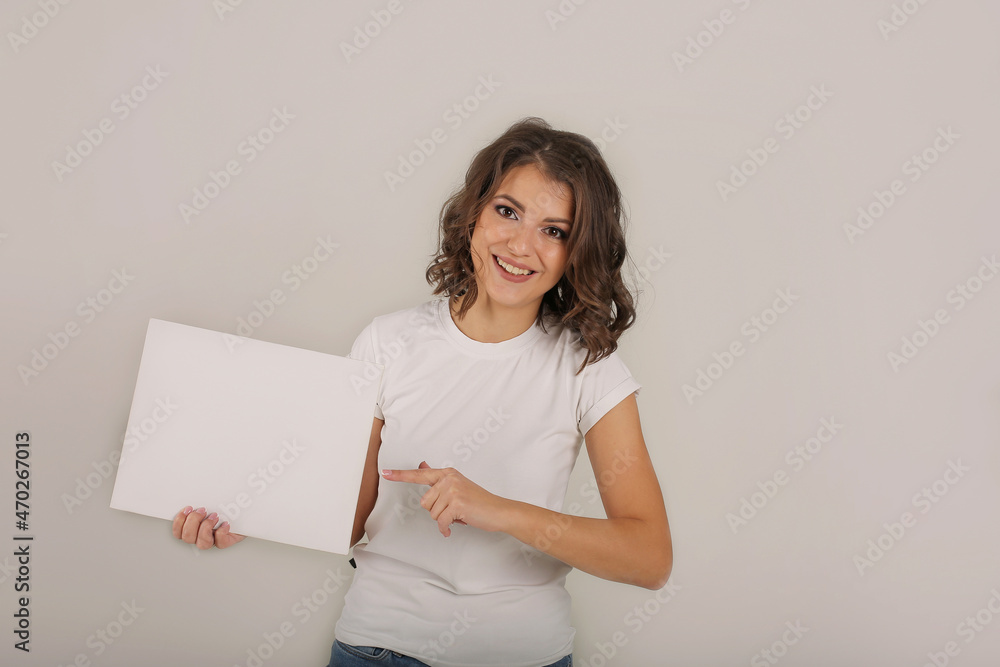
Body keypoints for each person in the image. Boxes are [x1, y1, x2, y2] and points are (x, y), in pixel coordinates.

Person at [172, 117, 673, 667]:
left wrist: (498, 510)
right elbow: (347, 518)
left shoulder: (588, 366)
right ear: (474, 215)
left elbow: (648, 558)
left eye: (554, 230)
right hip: (377, 648)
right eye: (507, 211)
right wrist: (243, 514)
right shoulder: (388, 342)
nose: (520, 244)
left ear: (577, 251)